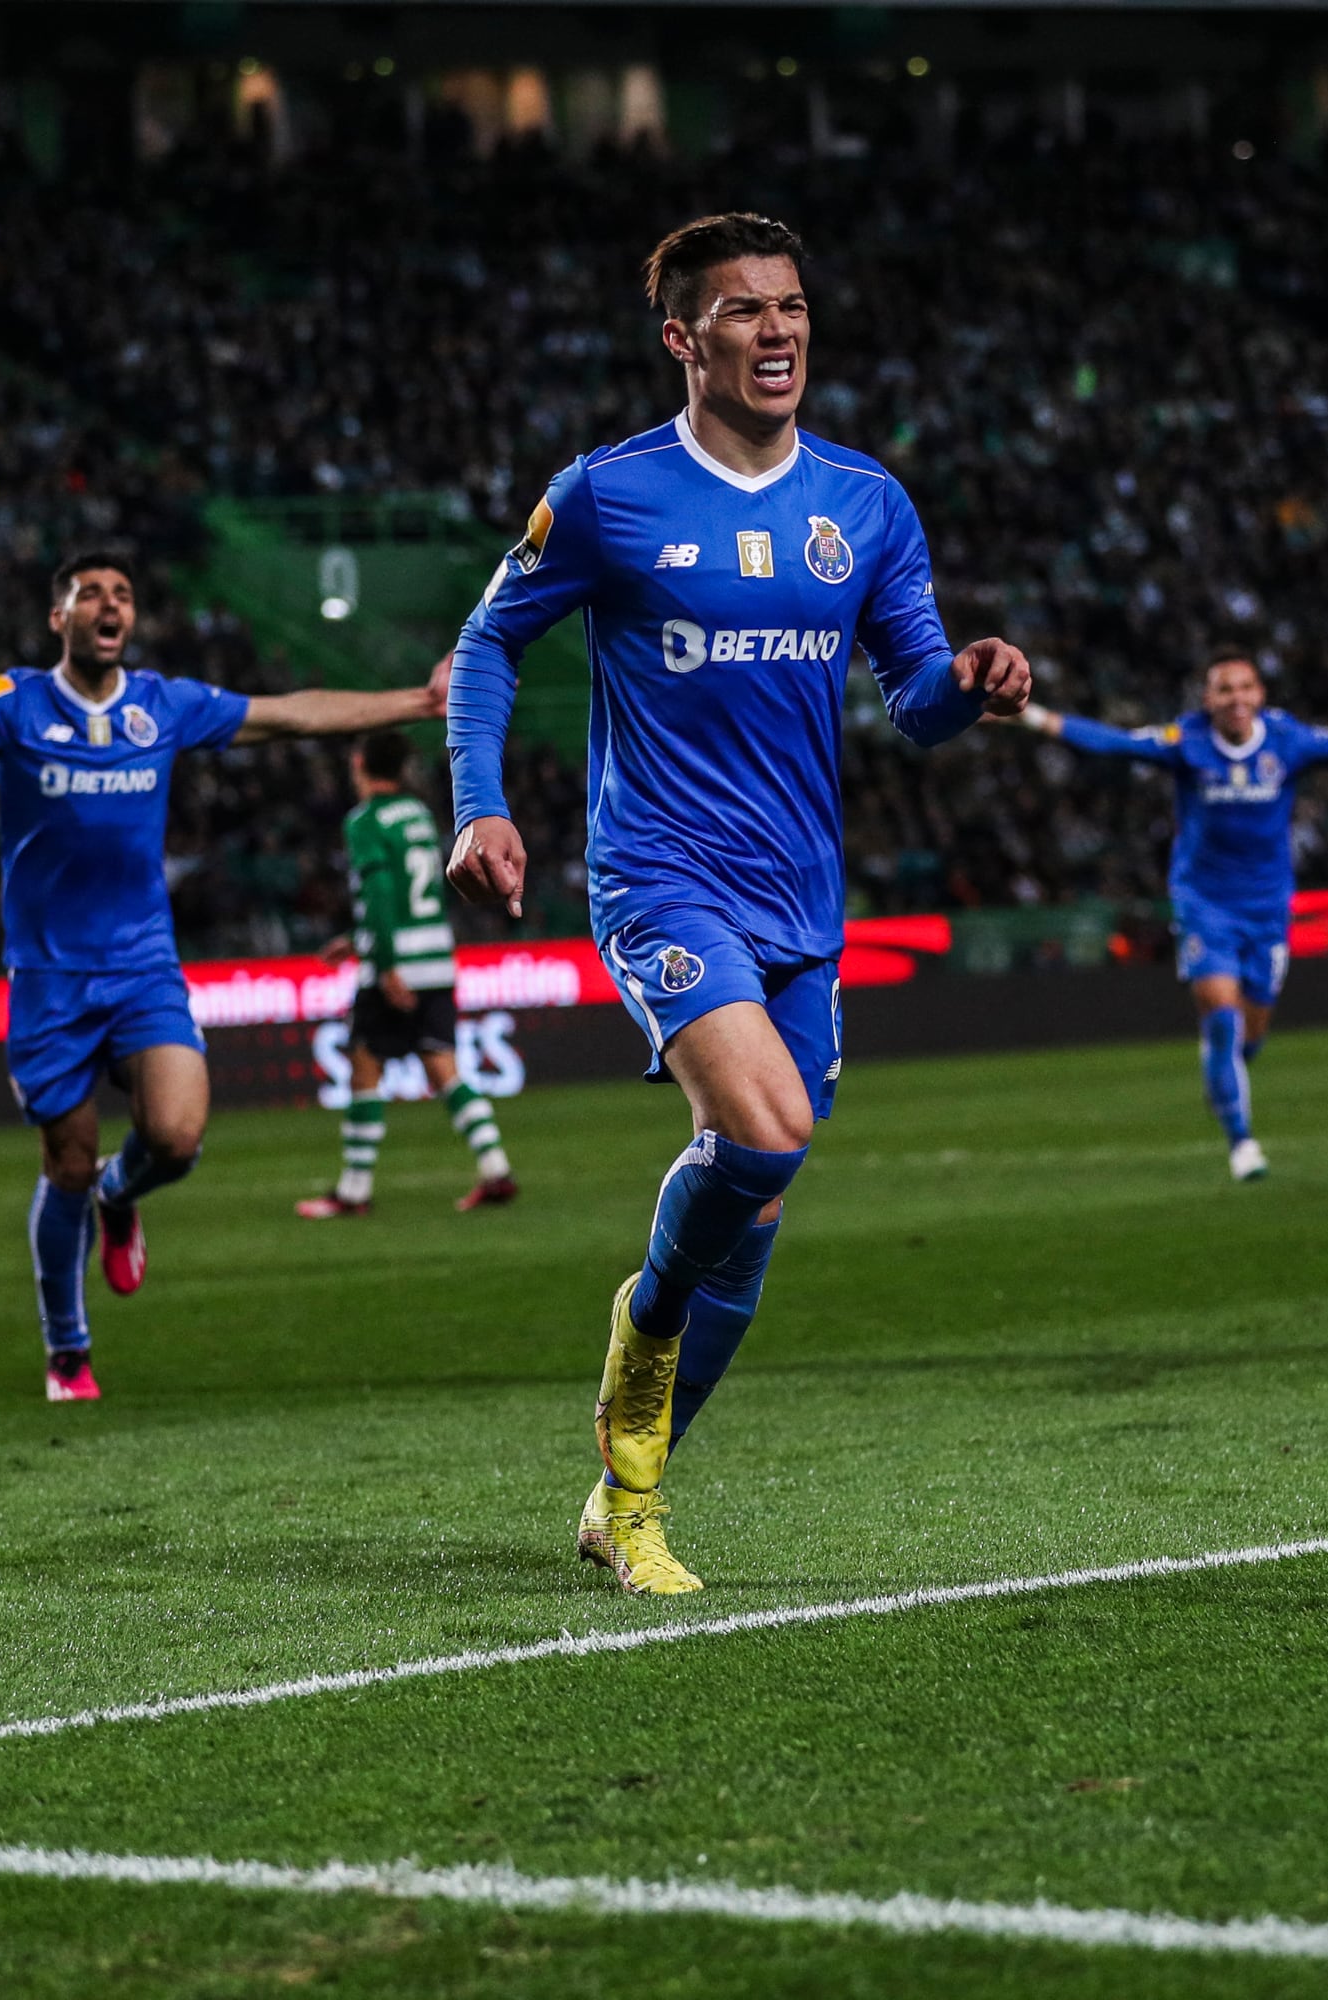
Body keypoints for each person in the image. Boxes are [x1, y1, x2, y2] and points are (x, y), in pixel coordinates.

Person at [442, 212, 1033, 1594]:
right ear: (682, 342)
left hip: (800, 906)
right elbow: (486, 642)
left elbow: (918, 700)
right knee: (765, 1133)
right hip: (662, 877)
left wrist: (976, 686)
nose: (778, 333)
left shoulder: (867, 504)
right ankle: (642, 1327)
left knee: (752, 1229)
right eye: (744, 313)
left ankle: (624, 1498)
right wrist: (480, 802)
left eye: (793, 308)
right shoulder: (607, 494)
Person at [0, 551, 444, 1401]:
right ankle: (68, 1349)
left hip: (142, 968)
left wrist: (416, 702)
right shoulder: (15, 703)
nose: (110, 605)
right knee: (65, 1162)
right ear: (58, 618)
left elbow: (290, 715)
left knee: (175, 1135)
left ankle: (120, 1195)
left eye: (123, 594)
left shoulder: (162, 705)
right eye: (89, 593)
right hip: (49, 979)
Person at [1013, 657, 1328, 1180]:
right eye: (1223, 689)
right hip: (1204, 903)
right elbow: (1112, 743)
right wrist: (1027, 716)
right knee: (1222, 1017)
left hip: (1268, 906)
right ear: (1207, 699)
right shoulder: (1186, 740)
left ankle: (1224, 1074)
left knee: (1252, 1034)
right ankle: (1242, 1144)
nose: (1235, 698)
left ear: (1260, 692)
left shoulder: (1286, 740)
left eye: (1244, 687)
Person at [297, 723, 517, 1219]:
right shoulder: (417, 814)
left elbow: (380, 895)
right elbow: (414, 897)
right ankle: (497, 1168)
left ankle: (353, 1190)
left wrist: (383, 963)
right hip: (437, 959)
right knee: (442, 1063)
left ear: (359, 766)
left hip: (398, 964)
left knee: (364, 1063)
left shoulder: (364, 822)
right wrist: (357, 943)